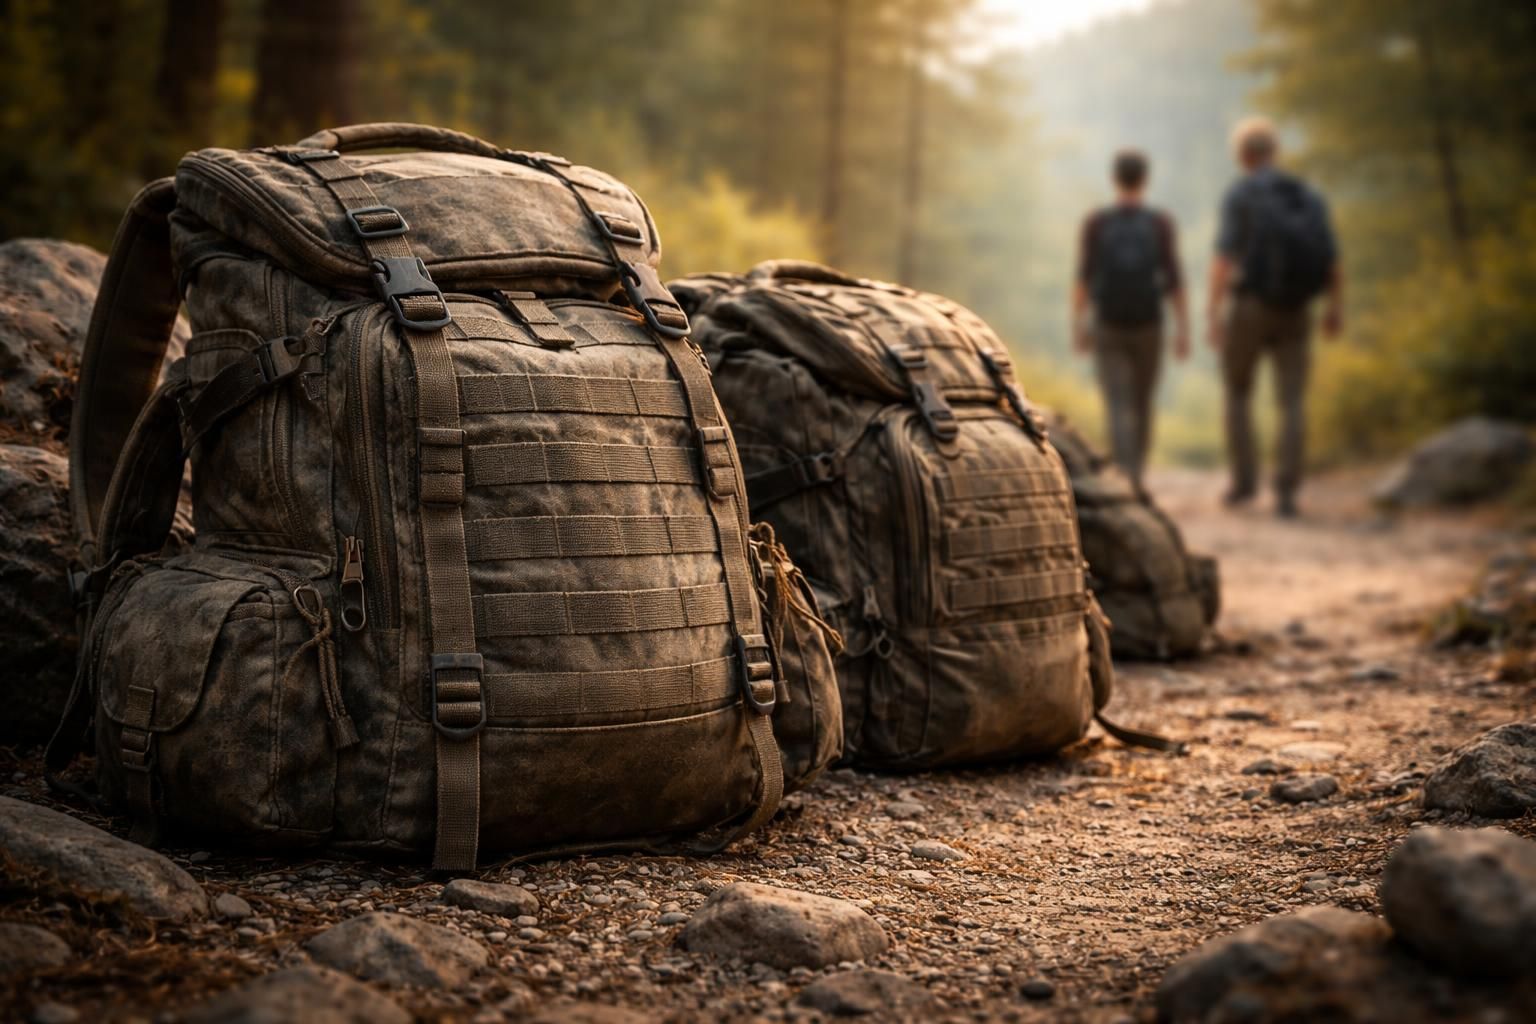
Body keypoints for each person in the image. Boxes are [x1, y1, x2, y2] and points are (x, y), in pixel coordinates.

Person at [1207, 117, 1343, 519]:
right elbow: (1333, 261)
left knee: (1237, 391)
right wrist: (1334, 308)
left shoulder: (1241, 194)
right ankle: (1286, 491)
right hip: (1297, 309)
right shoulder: (1305, 195)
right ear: (1274, 152)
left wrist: (1214, 311)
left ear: (1244, 155)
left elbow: (1223, 259)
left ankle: (1245, 483)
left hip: (1248, 306)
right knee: (1292, 401)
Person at [1072, 149, 1188, 490]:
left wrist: (1079, 324)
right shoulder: (1159, 223)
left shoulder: (1097, 222)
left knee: (1117, 402)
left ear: (1115, 179)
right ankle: (1136, 471)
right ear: (1144, 179)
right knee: (1142, 401)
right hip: (1149, 324)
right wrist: (1182, 328)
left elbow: (1084, 278)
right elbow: (1174, 279)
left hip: (1107, 323)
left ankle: (1126, 475)